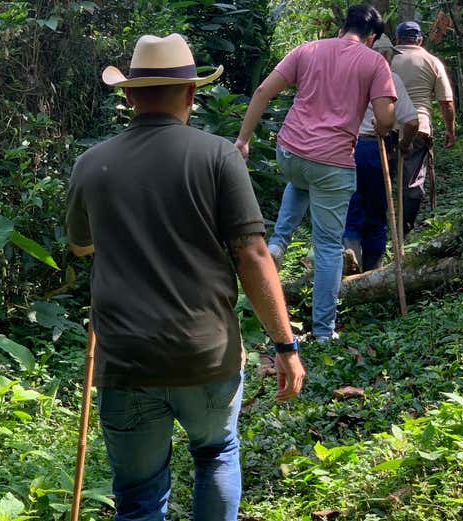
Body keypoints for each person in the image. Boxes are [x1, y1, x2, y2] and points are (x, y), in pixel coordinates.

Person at [66, 34, 305, 521]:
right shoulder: (218, 156)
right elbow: (253, 254)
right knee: (216, 453)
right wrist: (285, 344)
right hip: (206, 354)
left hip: (127, 360)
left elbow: (81, 245)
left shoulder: (91, 165)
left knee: (138, 496)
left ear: (129, 95)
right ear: (192, 94)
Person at [235, 4, 396, 342]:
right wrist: (383, 126)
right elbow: (385, 118)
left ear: (342, 27)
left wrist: (243, 139)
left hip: (289, 152)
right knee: (327, 246)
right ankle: (323, 332)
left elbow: (263, 92)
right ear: (371, 37)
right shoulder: (374, 62)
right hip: (331, 162)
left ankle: (277, 243)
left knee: (302, 179)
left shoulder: (307, 50)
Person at [343, 34, 420, 272]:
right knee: (376, 213)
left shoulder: (347, 76)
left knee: (350, 207)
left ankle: (349, 256)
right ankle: (372, 271)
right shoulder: (390, 78)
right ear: (386, 55)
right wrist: (405, 144)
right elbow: (412, 121)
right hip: (374, 148)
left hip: (343, 147)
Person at [391, 20, 456, 236]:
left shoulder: (386, 60)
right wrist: (450, 129)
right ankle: (402, 233)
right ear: (419, 40)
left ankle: (378, 233)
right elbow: (446, 102)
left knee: (380, 180)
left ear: (397, 39)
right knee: (411, 183)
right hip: (419, 128)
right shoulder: (432, 61)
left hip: (385, 127)